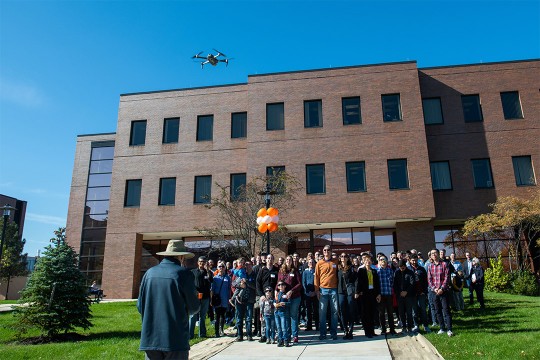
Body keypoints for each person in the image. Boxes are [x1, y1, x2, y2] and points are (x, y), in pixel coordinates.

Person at [137, 240, 199, 360]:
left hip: (150, 339)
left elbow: (140, 306)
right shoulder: (184, 274)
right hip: (175, 339)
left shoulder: (149, 273)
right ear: (181, 256)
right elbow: (194, 307)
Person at [314, 245, 339, 340]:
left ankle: (333, 333)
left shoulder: (336, 261)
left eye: (328, 250)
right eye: (325, 250)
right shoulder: (319, 263)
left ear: (331, 251)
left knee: (334, 312)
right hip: (323, 290)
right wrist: (316, 290)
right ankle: (323, 333)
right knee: (322, 313)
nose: (326, 251)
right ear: (323, 252)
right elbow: (316, 277)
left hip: (334, 290)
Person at [427, 249, 453, 337]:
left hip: (444, 291)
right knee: (437, 311)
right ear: (430, 256)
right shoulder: (430, 266)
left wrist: (442, 288)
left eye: (435, 253)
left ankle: (449, 329)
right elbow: (429, 280)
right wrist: (434, 289)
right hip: (434, 292)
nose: (434, 255)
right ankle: (442, 328)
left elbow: (447, 277)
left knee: (446, 310)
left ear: (438, 254)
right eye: (432, 254)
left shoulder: (444, 264)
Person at [277, 255, 302, 343]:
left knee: (293, 316)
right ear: (285, 261)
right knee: (286, 316)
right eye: (287, 259)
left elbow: (299, 284)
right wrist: (277, 293)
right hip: (284, 298)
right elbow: (278, 283)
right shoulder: (281, 271)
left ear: (292, 261)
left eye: (290, 260)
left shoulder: (295, 271)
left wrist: (291, 291)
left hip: (295, 297)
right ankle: (287, 335)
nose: (288, 261)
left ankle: (295, 335)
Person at [355, 253, 381, 338]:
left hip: (372, 294)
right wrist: (358, 292)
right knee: (365, 313)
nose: (368, 262)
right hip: (364, 294)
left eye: (369, 260)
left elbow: (377, 283)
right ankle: (367, 331)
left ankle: (372, 331)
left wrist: (378, 294)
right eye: (366, 260)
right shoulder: (361, 271)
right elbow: (358, 282)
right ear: (364, 261)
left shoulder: (374, 271)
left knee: (372, 312)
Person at [256, 254, 279, 343]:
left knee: (274, 317)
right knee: (263, 318)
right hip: (264, 298)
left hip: (273, 298)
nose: (270, 260)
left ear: (273, 260)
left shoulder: (276, 271)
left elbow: (279, 282)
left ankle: (274, 335)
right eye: (268, 258)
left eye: (271, 258)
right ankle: (263, 335)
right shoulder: (262, 271)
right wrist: (261, 295)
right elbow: (258, 283)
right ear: (266, 260)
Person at [189, 256, 213, 339]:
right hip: (195, 297)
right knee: (193, 316)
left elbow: (211, 280)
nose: (202, 263)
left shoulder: (208, 272)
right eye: (200, 262)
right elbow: (190, 284)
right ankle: (190, 334)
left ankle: (202, 334)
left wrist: (208, 270)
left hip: (205, 297)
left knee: (203, 316)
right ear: (198, 262)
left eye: (203, 262)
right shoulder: (193, 272)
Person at [338, 253, 358, 339]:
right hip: (341, 292)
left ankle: (350, 330)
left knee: (351, 310)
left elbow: (356, 280)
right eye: (341, 256)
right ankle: (345, 330)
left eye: (345, 256)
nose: (343, 258)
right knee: (342, 311)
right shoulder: (337, 268)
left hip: (350, 292)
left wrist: (356, 291)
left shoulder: (352, 268)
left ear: (347, 258)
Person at [409, 254, 431, 333]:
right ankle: (416, 325)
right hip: (412, 294)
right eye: (412, 260)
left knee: (423, 310)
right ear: (410, 260)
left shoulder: (422, 269)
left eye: (415, 260)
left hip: (421, 293)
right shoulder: (408, 269)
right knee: (414, 311)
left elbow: (426, 281)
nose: (414, 262)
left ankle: (425, 325)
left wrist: (424, 291)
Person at [394, 259, 415, 335]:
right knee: (401, 312)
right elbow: (395, 284)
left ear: (405, 266)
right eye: (400, 267)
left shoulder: (410, 273)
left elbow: (412, 283)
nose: (401, 269)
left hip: (408, 295)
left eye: (403, 267)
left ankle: (410, 327)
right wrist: (399, 292)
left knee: (409, 312)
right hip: (400, 296)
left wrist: (406, 292)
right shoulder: (397, 273)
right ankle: (403, 327)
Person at [377, 256, 396, 336]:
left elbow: (392, 281)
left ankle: (392, 329)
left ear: (387, 261)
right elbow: (376, 284)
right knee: (381, 313)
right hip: (381, 295)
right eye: (381, 260)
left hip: (388, 294)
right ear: (379, 262)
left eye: (384, 260)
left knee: (390, 313)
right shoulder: (377, 271)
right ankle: (383, 329)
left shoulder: (390, 270)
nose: (383, 261)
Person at [212, 261, 232, 338]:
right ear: (217, 268)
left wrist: (229, 299)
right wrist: (212, 300)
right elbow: (212, 289)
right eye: (220, 266)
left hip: (224, 299)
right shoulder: (215, 278)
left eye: (223, 266)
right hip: (217, 300)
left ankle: (222, 329)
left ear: (225, 268)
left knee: (223, 316)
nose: (221, 268)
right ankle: (216, 332)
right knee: (217, 316)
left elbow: (229, 289)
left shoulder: (227, 278)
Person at [302, 258, 318, 331]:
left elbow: (319, 282)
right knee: (308, 310)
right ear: (308, 264)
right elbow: (303, 283)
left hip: (315, 293)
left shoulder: (317, 271)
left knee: (316, 310)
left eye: (312, 262)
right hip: (307, 294)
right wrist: (307, 292)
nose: (311, 263)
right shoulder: (305, 272)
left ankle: (317, 325)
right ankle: (309, 326)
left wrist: (315, 292)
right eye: (310, 262)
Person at [275, 281, 291, 347]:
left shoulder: (286, 294)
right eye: (279, 285)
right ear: (278, 287)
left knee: (284, 327)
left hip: (283, 312)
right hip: (276, 312)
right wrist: (275, 304)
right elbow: (274, 301)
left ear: (285, 286)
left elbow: (289, 303)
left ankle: (286, 340)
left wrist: (284, 303)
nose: (281, 286)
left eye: (282, 285)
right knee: (278, 327)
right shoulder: (277, 294)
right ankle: (280, 340)